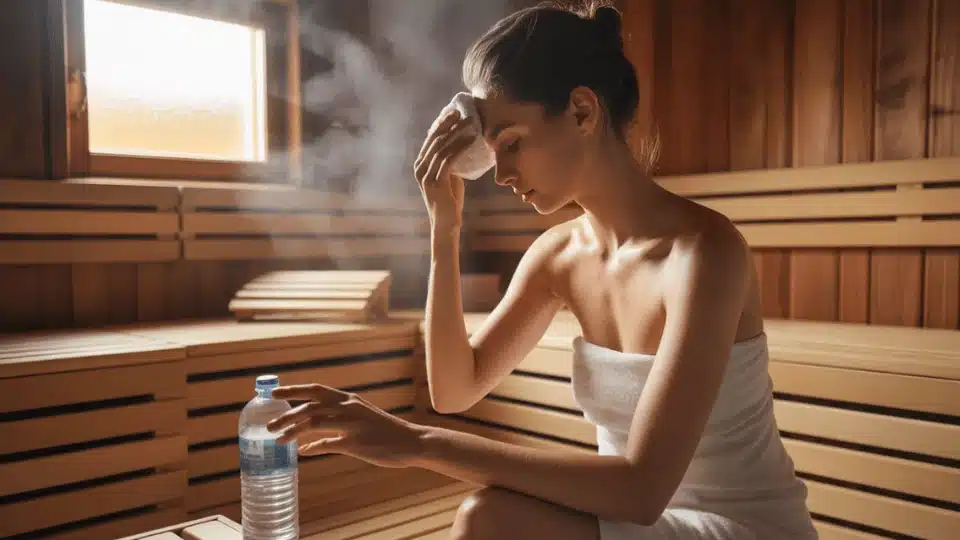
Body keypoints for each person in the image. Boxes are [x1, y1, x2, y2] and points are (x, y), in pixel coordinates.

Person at [266, 1, 818, 538]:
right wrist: (444, 231)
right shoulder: (559, 256)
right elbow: (453, 391)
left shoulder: (705, 254)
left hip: (738, 527)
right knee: (487, 516)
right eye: (493, 150)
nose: (502, 174)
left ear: (582, 111)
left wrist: (417, 443)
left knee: (487, 518)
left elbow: (642, 489)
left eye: (512, 143)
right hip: (639, 526)